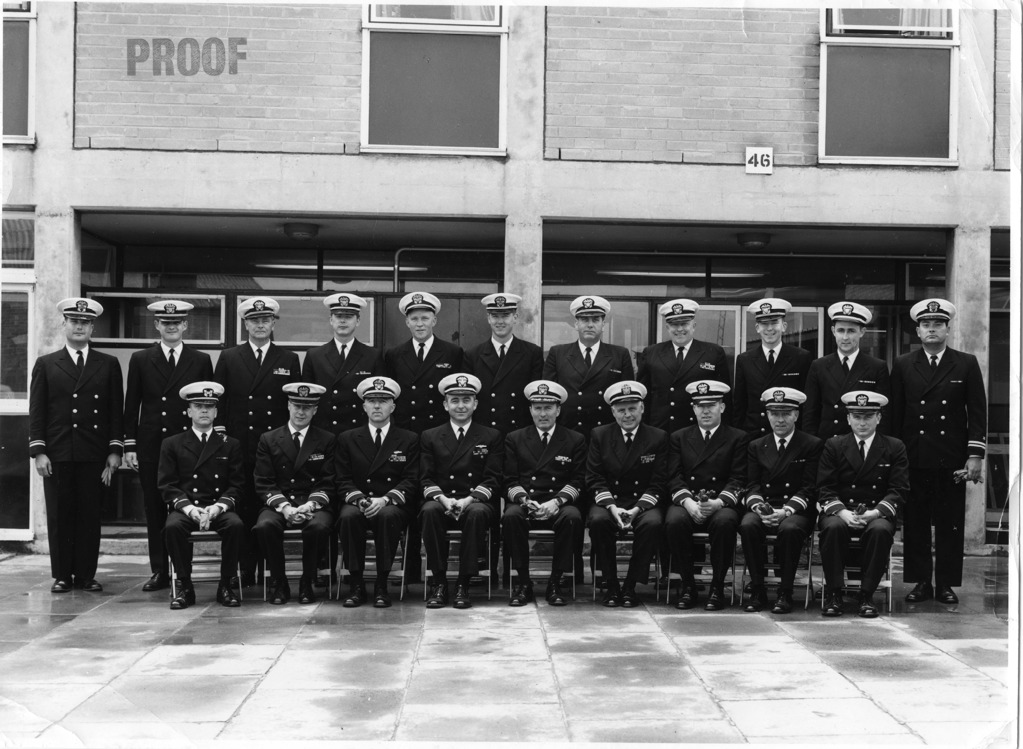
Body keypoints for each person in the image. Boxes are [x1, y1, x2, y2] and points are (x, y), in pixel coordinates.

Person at [890, 298, 987, 605]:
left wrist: (975, 455)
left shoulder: (966, 362)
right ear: (918, 331)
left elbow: (977, 411)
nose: (931, 329)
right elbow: (895, 413)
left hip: (951, 456)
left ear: (947, 329)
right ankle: (920, 581)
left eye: (938, 324)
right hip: (914, 455)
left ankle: (945, 583)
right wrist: (894, 456)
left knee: (950, 522)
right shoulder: (904, 363)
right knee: (916, 521)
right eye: (926, 325)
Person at [29, 298, 124, 594]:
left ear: (93, 327)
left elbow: (115, 411)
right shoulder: (46, 364)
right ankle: (62, 575)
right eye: (74, 321)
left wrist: (115, 450)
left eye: (85, 322)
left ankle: (85, 574)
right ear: (64, 324)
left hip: (93, 452)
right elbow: (37, 411)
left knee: (89, 515)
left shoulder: (107, 363)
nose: (79, 326)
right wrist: (39, 451)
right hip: (58, 452)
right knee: (60, 515)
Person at [123, 299, 213, 593]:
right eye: (166, 322)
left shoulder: (200, 360)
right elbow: (132, 404)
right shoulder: (140, 359)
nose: (171, 327)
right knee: (154, 509)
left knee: (185, 508)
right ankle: (160, 570)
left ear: (185, 325)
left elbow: (207, 406)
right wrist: (130, 445)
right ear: (157, 325)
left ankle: (183, 571)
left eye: (176, 322)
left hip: (187, 446)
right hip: (152, 445)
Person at [213, 297, 300, 585]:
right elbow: (220, 401)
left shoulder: (288, 359)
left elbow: (294, 404)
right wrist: (222, 436)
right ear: (245, 324)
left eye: (265, 320)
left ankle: (269, 571)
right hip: (240, 444)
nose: (260, 325)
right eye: (254, 320)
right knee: (244, 506)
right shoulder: (229, 357)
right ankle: (246, 570)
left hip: (274, 447)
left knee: (270, 507)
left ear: (274, 323)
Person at [817, 390, 909, 618]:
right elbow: (825, 488)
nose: (862, 423)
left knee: (880, 530)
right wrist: (842, 512)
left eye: (868, 417)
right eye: (857, 417)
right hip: (841, 511)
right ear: (848, 419)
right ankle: (834, 593)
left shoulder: (894, 446)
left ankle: (866, 595)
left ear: (879, 418)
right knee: (832, 527)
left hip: (876, 512)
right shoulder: (834, 445)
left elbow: (899, 490)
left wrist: (874, 513)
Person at [419, 373, 504, 609]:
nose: (461, 406)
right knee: (429, 511)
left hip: (474, 500)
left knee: (477, 513)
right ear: (445, 404)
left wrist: (468, 500)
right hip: (443, 499)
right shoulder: (430, 436)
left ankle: (463, 583)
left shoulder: (491, 436)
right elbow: (425, 478)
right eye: (454, 400)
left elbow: (493, 478)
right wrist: (444, 500)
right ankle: (439, 583)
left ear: (475, 404)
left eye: (466, 400)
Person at [158, 381, 246, 610]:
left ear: (216, 412)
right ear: (189, 412)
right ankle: (185, 587)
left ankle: (226, 585)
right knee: (172, 527)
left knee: (236, 525)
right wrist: (190, 509)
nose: (204, 411)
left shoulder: (230, 444)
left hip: (218, 507)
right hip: (187, 507)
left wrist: (218, 507)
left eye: (209, 406)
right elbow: (167, 484)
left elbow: (237, 485)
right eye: (198, 406)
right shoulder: (172, 444)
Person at [335, 376, 420, 608]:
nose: (377, 406)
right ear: (364, 406)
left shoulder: (408, 439)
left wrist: (385, 500)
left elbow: (411, 479)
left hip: (391, 503)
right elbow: (342, 479)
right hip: (359, 501)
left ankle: (382, 585)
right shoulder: (347, 438)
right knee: (348, 517)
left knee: (387, 516)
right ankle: (356, 585)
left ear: (393, 406)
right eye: (372, 401)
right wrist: (360, 500)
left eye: (383, 401)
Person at [663, 380, 746, 611]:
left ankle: (717, 587)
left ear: (722, 407)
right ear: (693, 408)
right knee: (674, 521)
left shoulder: (737, 437)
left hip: (720, 502)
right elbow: (674, 476)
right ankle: (688, 585)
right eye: (700, 406)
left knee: (725, 522)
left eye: (711, 405)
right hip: (688, 501)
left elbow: (739, 478)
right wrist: (688, 503)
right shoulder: (679, 437)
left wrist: (718, 502)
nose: (705, 411)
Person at [502, 380, 586, 606]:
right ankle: (523, 582)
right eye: (537, 408)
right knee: (510, 516)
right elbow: (509, 479)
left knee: (572, 517)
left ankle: (555, 582)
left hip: (558, 502)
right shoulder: (515, 438)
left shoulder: (574, 439)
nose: (542, 414)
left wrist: (556, 502)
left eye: (548, 408)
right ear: (530, 410)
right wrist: (525, 501)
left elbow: (578, 480)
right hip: (527, 501)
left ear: (558, 410)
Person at [252, 383, 337, 605]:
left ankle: (307, 580)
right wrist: (285, 507)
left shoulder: (326, 439)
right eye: (297, 406)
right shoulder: (269, 439)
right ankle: (279, 582)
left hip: (312, 502)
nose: (301, 412)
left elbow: (328, 481)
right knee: (264, 526)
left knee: (318, 527)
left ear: (315, 410)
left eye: (307, 408)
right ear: (288, 406)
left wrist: (310, 505)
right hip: (280, 502)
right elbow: (264, 481)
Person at [585, 380, 668, 607]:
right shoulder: (600, 435)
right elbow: (594, 477)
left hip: (642, 502)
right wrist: (612, 507)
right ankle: (611, 584)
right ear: (613, 412)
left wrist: (637, 509)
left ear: (642, 408)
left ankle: (631, 585)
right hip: (610, 500)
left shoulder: (658, 437)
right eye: (621, 410)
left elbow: (659, 481)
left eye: (632, 408)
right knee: (598, 521)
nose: (627, 415)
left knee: (652, 523)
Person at [740, 387, 822, 614]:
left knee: (790, 529)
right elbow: (752, 485)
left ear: (796, 415)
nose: (780, 419)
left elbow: (809, 487)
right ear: (767, 415)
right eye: (775, 413)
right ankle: (758, 589)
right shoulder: (756, 445)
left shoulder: (811, 444)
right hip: (765, 507)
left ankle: (785, 592)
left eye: (786, 413)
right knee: (747, 525)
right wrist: (759, 508)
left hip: (796, 510)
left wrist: (786, 511)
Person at [543, 295, 635, 438]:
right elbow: (549, 397)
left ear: (603, 325)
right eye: (584, 320)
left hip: (606, 432)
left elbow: (626, 398)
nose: (590, 325)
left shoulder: (620, 354)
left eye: (596, 320)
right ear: (576, 324)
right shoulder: (558, 353)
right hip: (568, 431)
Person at [638, 298, 730, 431]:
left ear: (694, 325)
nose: (680, 329)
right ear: (667, 327)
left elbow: (725, 398)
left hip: (698, 429)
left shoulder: (713, 352)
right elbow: (643, 397)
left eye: (684, 323)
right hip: (661, 429)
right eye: (674, 324)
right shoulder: (651, 353)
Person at [803, 301, 890, 440]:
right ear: (833, 331)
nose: (845, 337)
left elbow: (883, 415)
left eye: (851, 331)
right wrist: (812, 446)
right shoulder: (819, 366)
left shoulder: (877, 367)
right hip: (827, 443)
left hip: (861, 443)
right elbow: (810, 414)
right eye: (840, 330)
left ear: (862, 332)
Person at [301, 293, 383, 436]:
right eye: (338, 316)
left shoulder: (372, 356)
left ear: (358, 321)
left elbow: (379, 398)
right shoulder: (314, 356)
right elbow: (307, 400)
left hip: (359, 431)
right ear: (331, 320)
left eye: (349, 317)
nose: (343, 321)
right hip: (324, 432)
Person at [464, 293, 543, 435]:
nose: (500, 321)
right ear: (488, 318)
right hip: (484, 431)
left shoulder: (532, 353)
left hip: (519, 432)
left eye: (506, 315)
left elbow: (535, 398)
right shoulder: (472, 355)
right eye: (495, 316)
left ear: (515, 317)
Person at [732, 298, 812, 439]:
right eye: (764, 324)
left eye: (774, 322)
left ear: (784, 326)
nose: (769, 328)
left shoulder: (801, 357)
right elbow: (740, 406)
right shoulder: (745, 360)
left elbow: (807, 405)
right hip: (755, 437)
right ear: (757, 327)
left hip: (789, 436)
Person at [383, 291, 464, 431]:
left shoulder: (452, 352)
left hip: (439, 429)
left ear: (434, 321)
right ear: (407, 322)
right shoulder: (394, 354)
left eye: (425, 318)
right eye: (414, 319)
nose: (419, 324)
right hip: (406, 429)